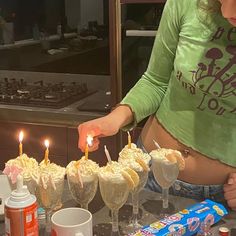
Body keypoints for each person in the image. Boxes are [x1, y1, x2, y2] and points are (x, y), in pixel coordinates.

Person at [78, 0, 236, 211]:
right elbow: (155, 81)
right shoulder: (185, 4)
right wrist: (114, 119)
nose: (230, 10)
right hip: (148, 173)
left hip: (221, 195)